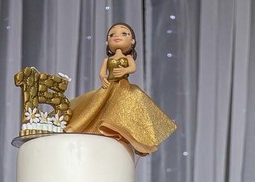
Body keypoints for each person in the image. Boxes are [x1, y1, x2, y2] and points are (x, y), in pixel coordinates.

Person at [66, 23, 177, 155]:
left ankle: (120, 131)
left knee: (121, 108)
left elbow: (133, 68)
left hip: (122, 86)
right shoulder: (107, 59)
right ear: (107, 42)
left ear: (132, 41)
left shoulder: (128, 57)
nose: (117, 36)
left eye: (124, 33)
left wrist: (125, 70)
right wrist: (103, 78)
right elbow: (102, 73)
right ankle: (92, 127)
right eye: (112, 34)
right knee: (97, 106)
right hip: (109, 86)